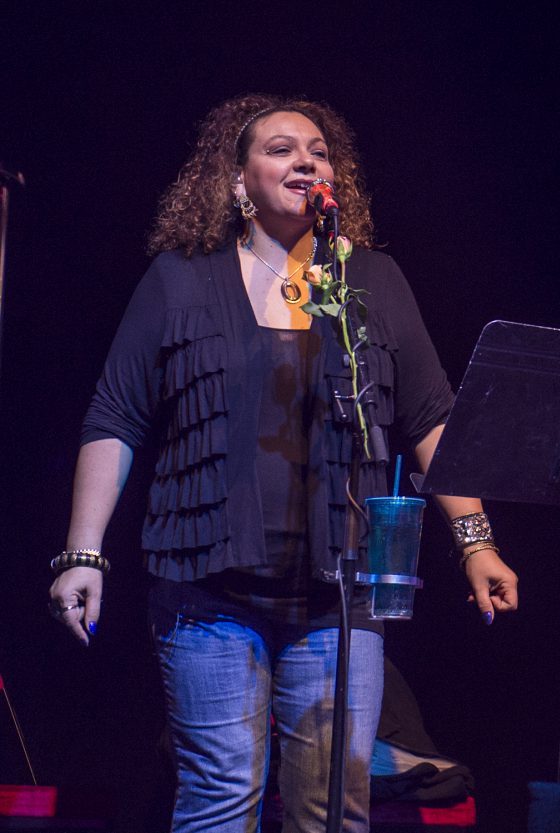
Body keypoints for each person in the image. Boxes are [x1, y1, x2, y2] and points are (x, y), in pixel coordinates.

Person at [47, 93, 518, 833]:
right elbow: (116, 414)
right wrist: (83, 552)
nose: (306, 159)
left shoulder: (373, 282)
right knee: (222, 798)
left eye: (319, 151)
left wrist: (477, 541)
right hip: (207, 594)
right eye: (280, 149)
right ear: (237, 183)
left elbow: (430, 419)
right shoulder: (181, 279)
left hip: (338, 599)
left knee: (333, 812)